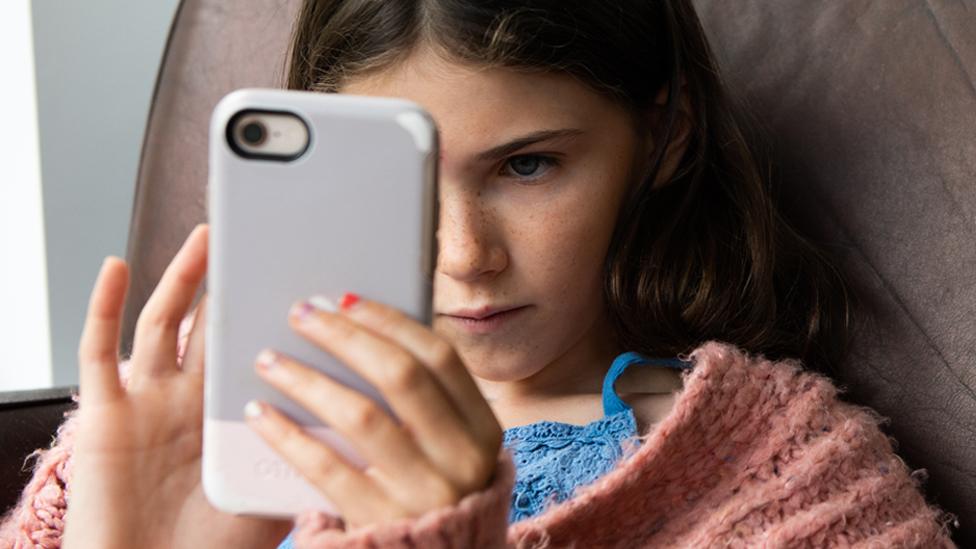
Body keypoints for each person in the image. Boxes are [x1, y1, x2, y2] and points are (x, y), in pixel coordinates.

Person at [0, 0, 960, 547]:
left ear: (664, 135)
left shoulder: (784, 480)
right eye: (404, 178)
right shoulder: (176, 435)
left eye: (528, 165)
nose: (463, 254)